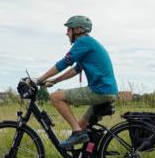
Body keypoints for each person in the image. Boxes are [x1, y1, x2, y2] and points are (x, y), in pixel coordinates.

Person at [36, 15, 118, 149]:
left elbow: (64, 63)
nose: (66, 33)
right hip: (108, 91)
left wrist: (40, 79)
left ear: (78, 29)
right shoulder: (89, 43)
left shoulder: (83, 42)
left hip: (99, 90)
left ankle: (77, 132)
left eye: (69, 29)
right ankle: (89, 156)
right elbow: (76, 70)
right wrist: (54, 81)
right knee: (81, 126)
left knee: (55, 97)